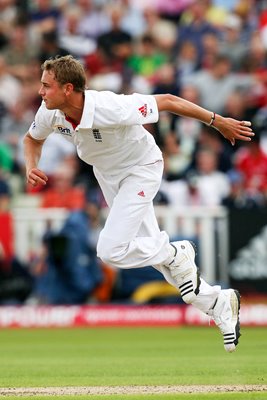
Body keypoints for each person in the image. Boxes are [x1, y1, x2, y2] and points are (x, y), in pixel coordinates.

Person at [23, 55, 254, 352]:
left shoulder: (110, 106)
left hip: (141, 169)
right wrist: (31, 165)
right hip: (108, 177)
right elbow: (32, 140)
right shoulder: (49, 111)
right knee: (160, 261)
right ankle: (220, 303)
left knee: (110, 250)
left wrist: (217, 121)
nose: (40, 92)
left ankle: (176, 250)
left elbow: (168, 100)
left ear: (68, 88)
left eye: (46, 86)